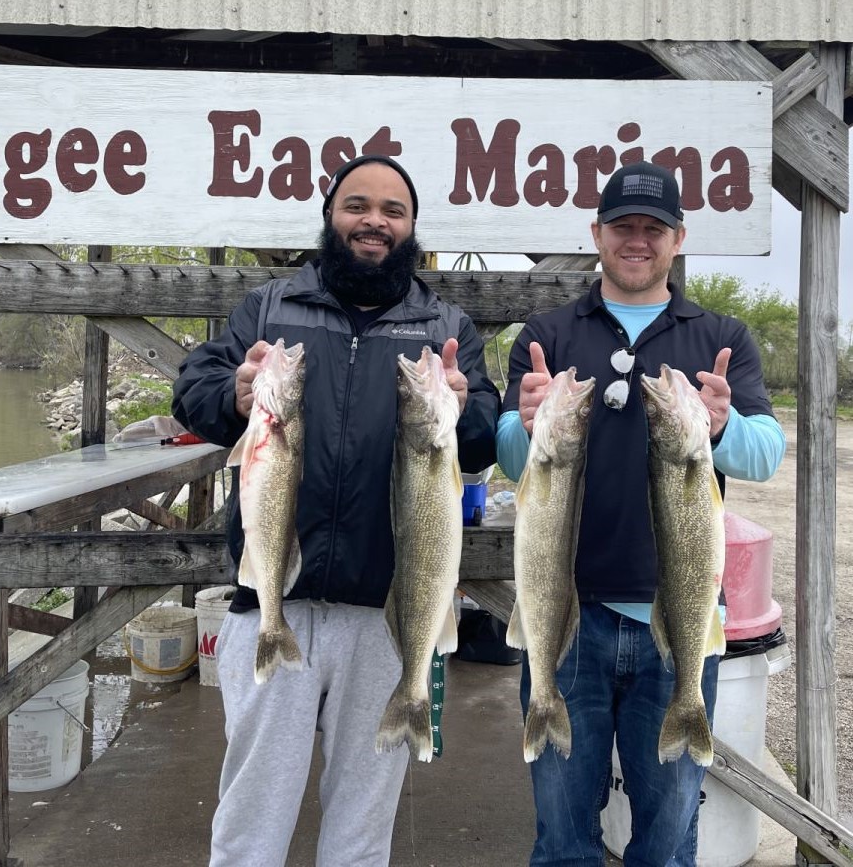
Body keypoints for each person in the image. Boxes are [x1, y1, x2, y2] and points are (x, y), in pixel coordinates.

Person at [173, 155, 499, 867]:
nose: (373, 222)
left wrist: (464, 406)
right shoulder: (267, 308)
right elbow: (193, 389)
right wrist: (232, 390)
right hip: (271, 603)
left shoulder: (445, 326)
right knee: (252, 815)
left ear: (411, 228)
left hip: (389, 612)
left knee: (361, 823)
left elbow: (480, 441)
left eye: (392, 211)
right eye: (357, 206)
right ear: (329, 216)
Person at [497, 160, 786, 867]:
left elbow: (764, 454)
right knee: (562, 837)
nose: (636, 241)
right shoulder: (549, 333)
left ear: (677, 238)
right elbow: (511, 460)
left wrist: (719, 428)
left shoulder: (719, 335)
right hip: (564, 621)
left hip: (678, 623)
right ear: (595, 234)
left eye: (651, 229)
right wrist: (525, 421)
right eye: (621, 226)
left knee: (665, 841)